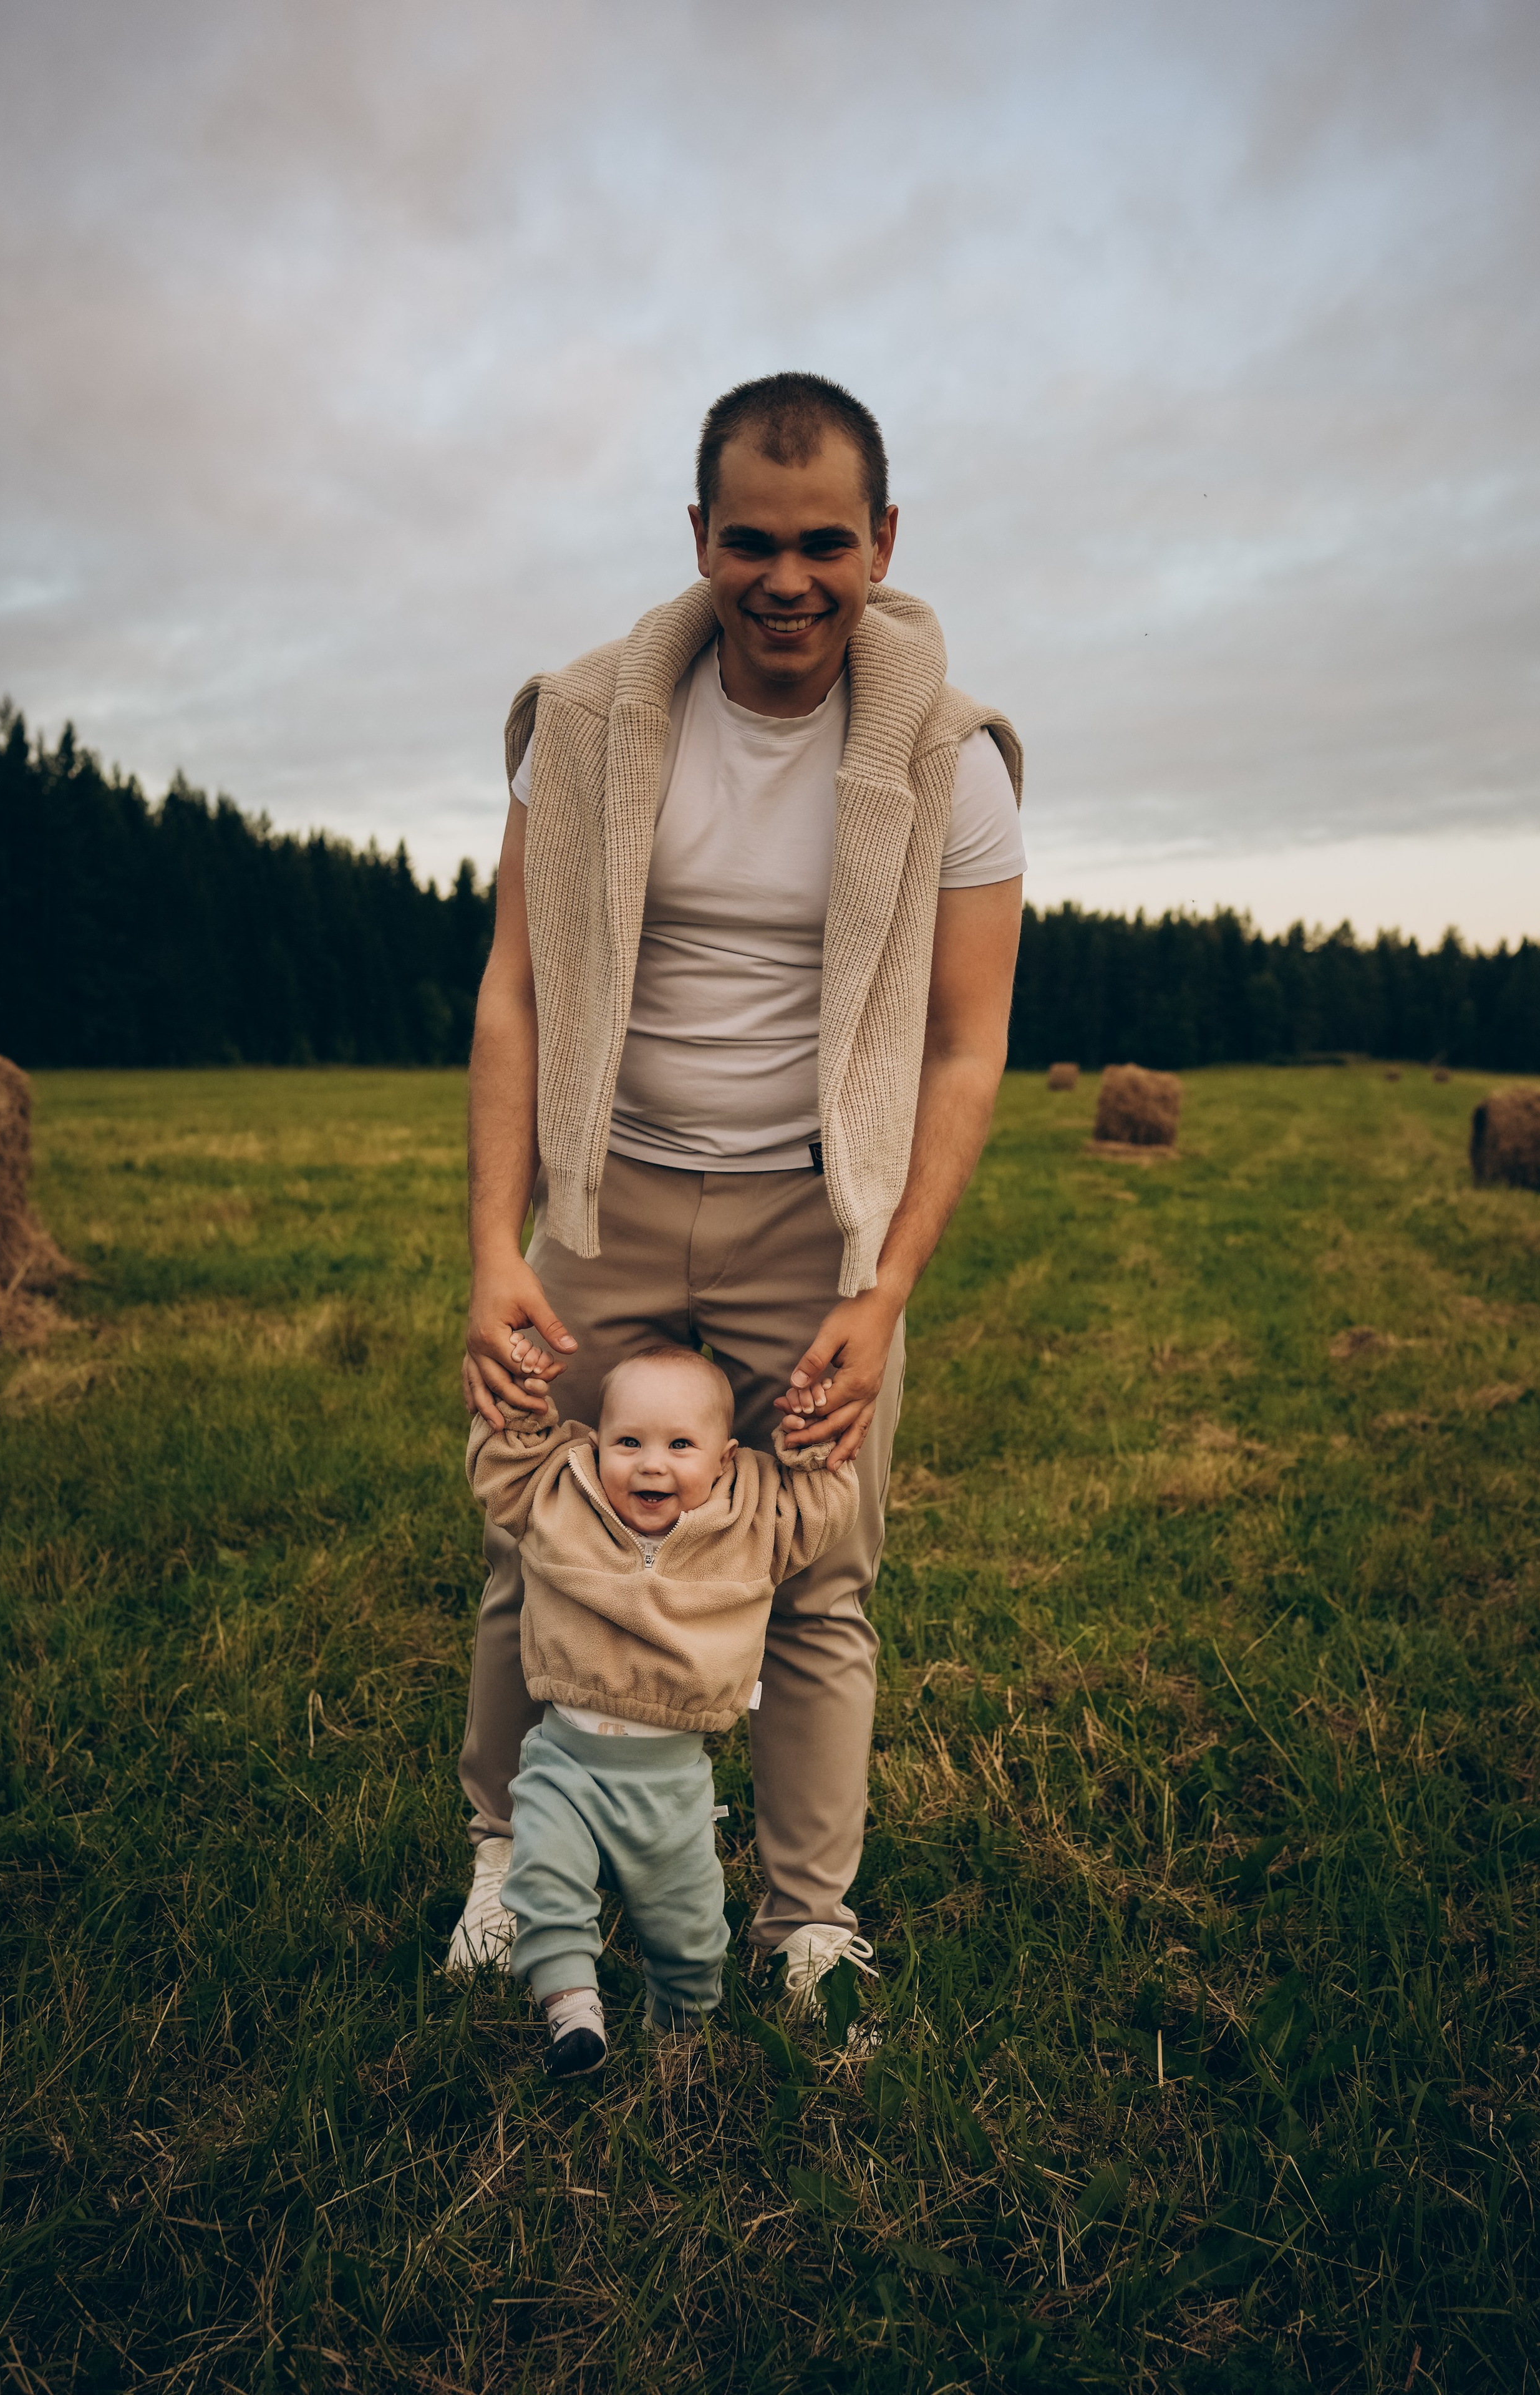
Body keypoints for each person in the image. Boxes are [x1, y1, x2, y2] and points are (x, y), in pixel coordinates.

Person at [448, 370, 1024, 2013]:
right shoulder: (584, 720)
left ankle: (805, 1921)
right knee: (538, 1527)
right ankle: (502, 1860)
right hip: (605, 1197)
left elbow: (968, 1047)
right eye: (752, 541)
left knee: (821, 1567)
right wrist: (498, 1247)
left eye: (825, 542)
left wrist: (882, 1290)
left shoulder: (950, 761)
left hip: (810, 1219)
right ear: (699, 535)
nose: (789, 580)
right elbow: (515, 993)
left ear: (884, 540)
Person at [468, 1339, 858, 2076]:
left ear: (725, 1459)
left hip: (673, 1785)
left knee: (690, 1933)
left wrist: (810, 1448)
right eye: (628, 1442)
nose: (651, 1463)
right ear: (595, 1443)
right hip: (564, 1762)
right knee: (544, 1882)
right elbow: (504, 1471)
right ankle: (573, 2014)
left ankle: (679, 2036)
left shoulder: (751, 1522)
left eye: (680, 1444)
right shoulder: (563, 1496)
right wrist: (520, 1407)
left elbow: (823, 1511)